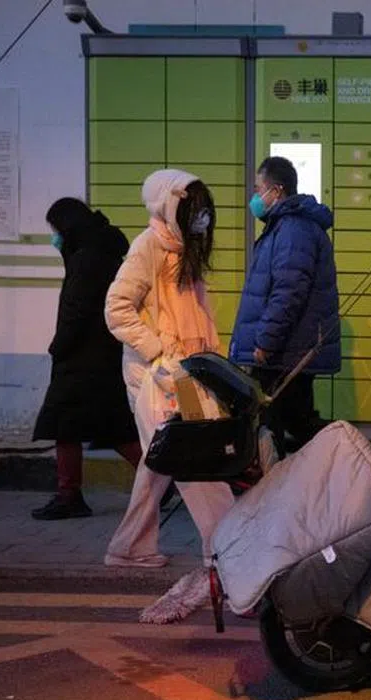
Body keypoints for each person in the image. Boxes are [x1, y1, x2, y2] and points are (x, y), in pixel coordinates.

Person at [103, 168, 234, 571]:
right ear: (169, 206)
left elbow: (197, 316)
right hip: (157, 377)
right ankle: (228, 548)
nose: (202, 218)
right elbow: (116, 309)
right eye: (193, 209)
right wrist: (158, 350)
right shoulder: (148, 247)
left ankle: (128, 547)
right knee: (193, 457)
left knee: (161, 461)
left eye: (204, 210)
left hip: (186, 374)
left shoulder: (183, 249)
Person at [31, 199, 140, 520]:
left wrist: (58, 346)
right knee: (113, 425)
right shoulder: (99, 251)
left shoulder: (88, 259)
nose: (55, 238)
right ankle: (161, 482)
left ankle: (70, 495)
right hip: (101, 355)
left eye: (56, 231)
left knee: (65, 423)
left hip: (81, 356)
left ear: (68, 226)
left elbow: (76, 310)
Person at [230, 156, 339, 453]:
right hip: (289, 348)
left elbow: (288, 292)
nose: (255, 197)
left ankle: (348, 463)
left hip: (284, 351)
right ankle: (332, 469)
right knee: (290, 420)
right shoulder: (286, 228)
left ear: (276, 191)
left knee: (278, 423)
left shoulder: (292, 230)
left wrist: (265, 341)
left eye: (258, 189)